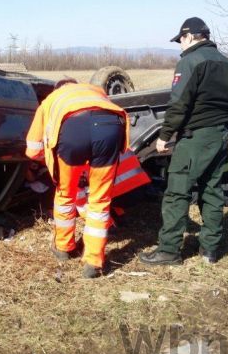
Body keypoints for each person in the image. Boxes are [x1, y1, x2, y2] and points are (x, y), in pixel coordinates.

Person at [139, 17, 228, 266]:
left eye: (180, 40)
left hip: (195, 135)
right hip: (219, 133)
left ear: (189, 36)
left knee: (176, 192)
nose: (179, 46)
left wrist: (164, 136)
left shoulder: (190, 62)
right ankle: (210, 249)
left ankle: (169, 251)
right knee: (212, 189)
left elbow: (179, 103)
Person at [26, 78, 149, 278]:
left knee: (66, 195)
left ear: (59, 88)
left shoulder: (51, 99)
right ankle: (94, 262)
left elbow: (32, 149)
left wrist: (47, 160)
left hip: (72, 131)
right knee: (100, 200)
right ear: (75, 85)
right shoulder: (95, 91)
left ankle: (63, 248)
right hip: (110, 127)